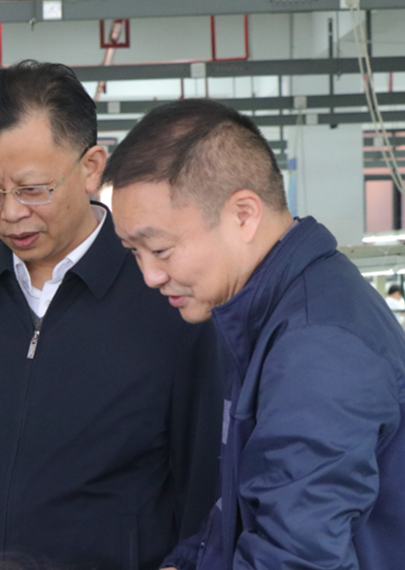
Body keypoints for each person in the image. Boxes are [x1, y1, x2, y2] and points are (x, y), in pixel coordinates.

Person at [0, 61, 223, 570]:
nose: (10, 214)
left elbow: (203, 482)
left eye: (32, 189)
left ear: (91, 168)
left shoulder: (165, 294)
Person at [105, 98, 405, 569]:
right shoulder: (267, 315)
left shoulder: (317, 347)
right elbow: (245, 512)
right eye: (133, 252)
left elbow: (296, 559)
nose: (150, 276)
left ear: (243, 214)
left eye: (160, 249)